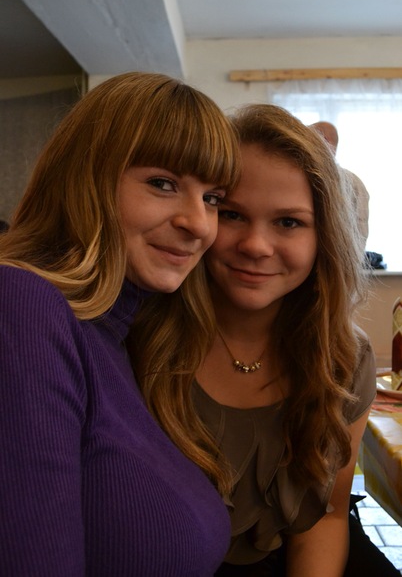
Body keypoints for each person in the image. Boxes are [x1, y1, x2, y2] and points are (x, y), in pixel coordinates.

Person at [131, 104, 400, 576]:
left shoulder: (344, 356)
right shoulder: (138, 337)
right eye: (232, 214)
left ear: (325, 237)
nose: (255, 246)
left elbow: (326, 515)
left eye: (289, 222)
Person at [0, 71, 241, 576]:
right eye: (163, 184)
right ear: (85, 177)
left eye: (213, 199)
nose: (199, 224)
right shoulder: (21, 305)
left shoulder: (124, 332)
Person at [309, 120, 370, 255]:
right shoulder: (302, 178)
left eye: (309, 139)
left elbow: (360, 231)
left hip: (340, 259)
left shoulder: (352, 183)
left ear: (324, 141)